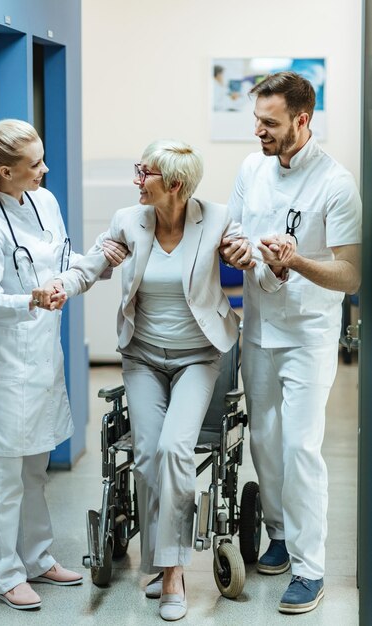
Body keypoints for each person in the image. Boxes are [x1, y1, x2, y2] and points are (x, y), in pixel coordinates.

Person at [35, 139, 292, 621]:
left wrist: (254, 257)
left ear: (174, 184)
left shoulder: (215, 219)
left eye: (143, 172)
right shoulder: (129, 220)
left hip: (198, 357)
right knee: (150, 454)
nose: (136, 179)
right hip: (143, 357)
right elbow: (92, 265)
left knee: (177, 448)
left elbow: (257, 266)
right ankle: (159, 561)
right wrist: (60, 286)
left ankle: (172, 572)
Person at [0, 119, 126, 611]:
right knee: (4, 480)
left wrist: (96, 261)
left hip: (43, 359)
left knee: (35, 469)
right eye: (35, 164)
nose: (45, 169)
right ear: (4, 171)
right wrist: (31, 299)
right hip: (5, 367)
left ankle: (37, 557)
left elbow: (63, 258)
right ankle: (6, 574)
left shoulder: (46, 202)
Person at [220, 71, 362, 615]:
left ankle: (310, 567)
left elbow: (351, 275)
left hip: (308, 334)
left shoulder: (336, 183)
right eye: (256, 119)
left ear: (302, 121)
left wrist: (295, 260)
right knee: (265, 443)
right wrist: (236, 252)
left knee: (301, 447)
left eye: (270, 122)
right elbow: (233, 231)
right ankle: (278, 534)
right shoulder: (252, 169)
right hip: (257, 328)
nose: (259, 130)